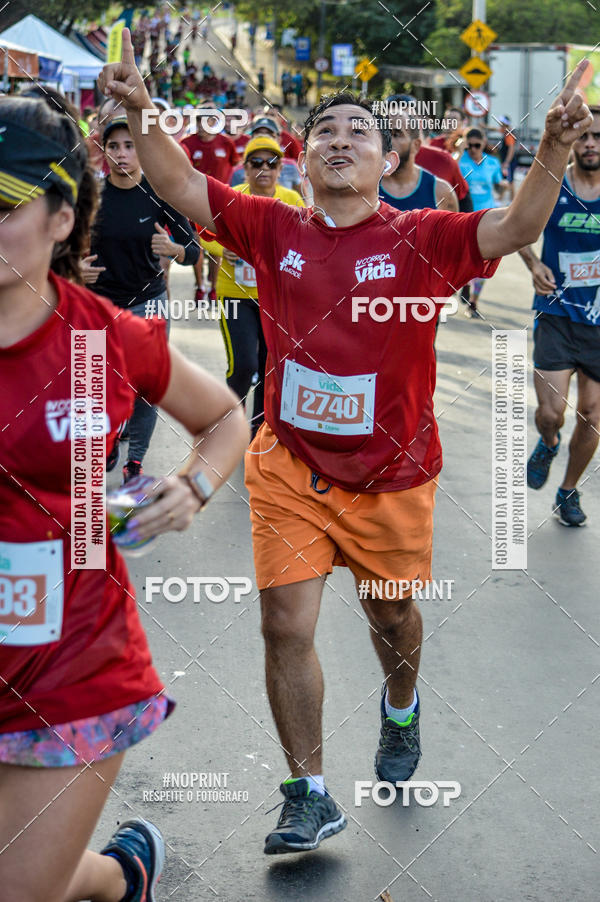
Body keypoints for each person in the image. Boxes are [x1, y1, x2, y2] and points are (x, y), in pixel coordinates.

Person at [100, 29, 590, 855]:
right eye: (324, 130)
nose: (340, 140)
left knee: (390, 616)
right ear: (303, 159)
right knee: (285, 626)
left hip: (392, 478)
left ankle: (401, 705)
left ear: (384, 157)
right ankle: (309, 794)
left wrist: (552, 148)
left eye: (358, 131)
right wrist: (144, 110)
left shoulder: (424, 236)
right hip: (289, 466)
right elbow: (179, 182)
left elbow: (514, 227)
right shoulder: (272, 228)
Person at [0, 93, 248, 902]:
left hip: (70, 664)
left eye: (4, 206)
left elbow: (224, 418)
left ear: (61, 219)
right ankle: (117, 877)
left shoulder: (100, 338)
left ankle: (115, 873)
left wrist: (192, 487)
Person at [87, 117, 200, 482]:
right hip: (97, 305)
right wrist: (75, 269)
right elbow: (58, 245)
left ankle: (135, 461)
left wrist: (174, 249)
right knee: (96, 384)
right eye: (114, 147)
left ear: (141, 151)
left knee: (147, 387)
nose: (121, 154)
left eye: (130, 146)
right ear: (104, 152)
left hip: (147, 302)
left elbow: (194, 250)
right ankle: (107, 438)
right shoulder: (91, 195)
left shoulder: (158, 193)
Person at [519, 106, 600, 526]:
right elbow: (516, 225)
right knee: (551, 413)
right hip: (556, 314)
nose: (591, 144)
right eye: (585, 136)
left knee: (593, 416)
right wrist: (534, 264)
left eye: (598, 137)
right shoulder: (554, 184)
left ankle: (568, 491)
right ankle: (548, 443)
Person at [201, 135, 304, 437]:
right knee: (243, 365)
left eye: (271, 163)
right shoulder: (231, 198)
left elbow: (306, 239)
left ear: (280, 169)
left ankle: (259, 429)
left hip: (275, 299)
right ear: (245, 169)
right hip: (235, 295)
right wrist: (223, 249)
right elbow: (203, 233)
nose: (264, 169)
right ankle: (229, 425)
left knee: (269, 365)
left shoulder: (291, 200)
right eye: (256, 163)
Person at [180, 110, 239, 303]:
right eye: (198, 121)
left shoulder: (226, 143)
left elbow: (235, 165)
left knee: (216, 247)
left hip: (220, 203)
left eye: (205, 121)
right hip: (194, 201)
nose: (201, 125)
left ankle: (213, 287)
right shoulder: (187, 143)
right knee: (197, 244)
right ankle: (200, 286)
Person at [459, 126, 508, 316]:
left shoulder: (492, 163)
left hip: (486, 216)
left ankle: (473, 302)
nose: (473, 149)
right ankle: (464, 283)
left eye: (477, 145)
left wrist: (503, 187)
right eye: (469, 146)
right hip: (465, 218)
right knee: (464, 259)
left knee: (484, 260)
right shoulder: (459, 161)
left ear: (484, 144)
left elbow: (499, 184)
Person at [379, 113, 458, 212]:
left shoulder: (441, 191)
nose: (388, 141)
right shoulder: (365, 187)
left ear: (416, 145)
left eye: (396, 134)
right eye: (385, 134)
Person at [498, 115, 518, 199]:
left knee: (508, 181)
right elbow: (496, 129)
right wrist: (486, 127)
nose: (500, 124)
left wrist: (506, 162)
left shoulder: (509, 134)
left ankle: (505, 198)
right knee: (509, 180)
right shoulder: (506, 131)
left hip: (509, 162)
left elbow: (511, 149)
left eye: (501, 123)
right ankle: (510, 199)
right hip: (508, 161)